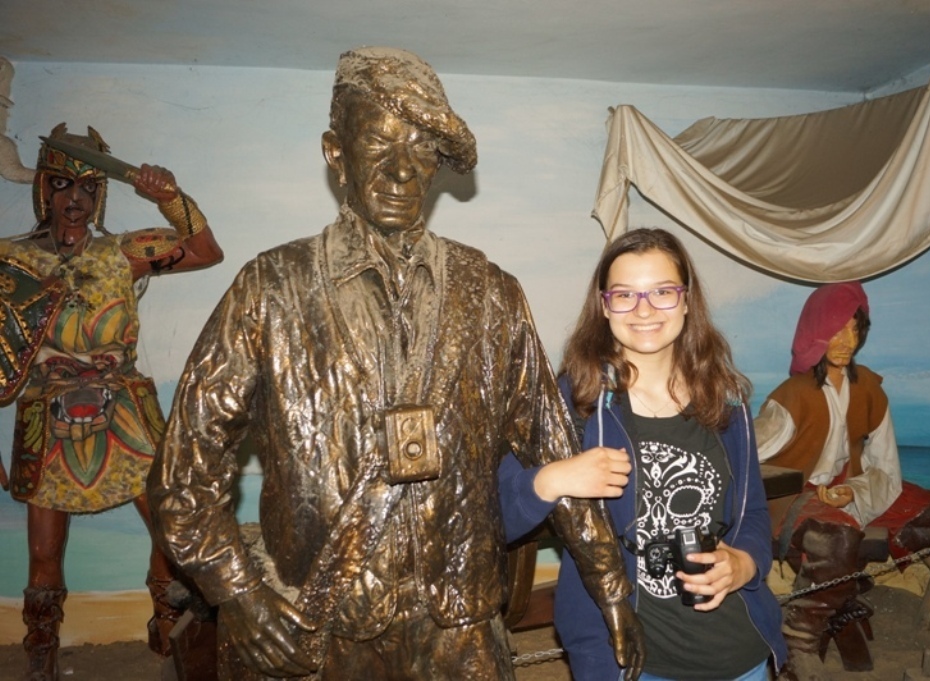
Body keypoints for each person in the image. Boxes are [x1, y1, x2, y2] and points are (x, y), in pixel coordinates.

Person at [146, 46, 643, 680]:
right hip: (321, 618)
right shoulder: (271, 289)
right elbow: (185, 467)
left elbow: (551, 444)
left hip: (460, 621)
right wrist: (237, 591)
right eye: (379, 143)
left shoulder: (490, 293)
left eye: (422, 148)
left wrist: (609, 584)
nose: (403, 170)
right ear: (336, 153)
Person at [501, 227, 786, 681]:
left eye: (662, 292)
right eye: (625, 295)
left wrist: (744, 564)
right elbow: (494, 516)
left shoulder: (725, 399)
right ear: (604, 305)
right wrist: (552, 479)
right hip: (625, 660)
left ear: (687, 300)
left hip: (738, 655)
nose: (644, 309)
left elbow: (751, 514)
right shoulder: (571, 403)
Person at [0, 123, 223, 680]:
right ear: (43, 188)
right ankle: (42, 652)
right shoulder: (11, 262)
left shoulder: (124, 253)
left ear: (99, 194)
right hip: (46, 412)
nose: (74, 198)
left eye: (87, 187)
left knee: (170, 526)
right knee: (43, 553)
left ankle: (167, 623)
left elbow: (205, 251)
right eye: (61, 184)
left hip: (124, 407)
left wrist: (170, 198)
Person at [755, 281, 930, 681]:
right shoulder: (790, 397)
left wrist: (853, 491)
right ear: (814, 332)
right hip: (797, 494)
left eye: (854, 329)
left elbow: (885, 465)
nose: (847, 341)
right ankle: (798, 648)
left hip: (854, 485)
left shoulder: (869, 389)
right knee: (835, 537)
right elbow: (748, 453)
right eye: (835, 330)